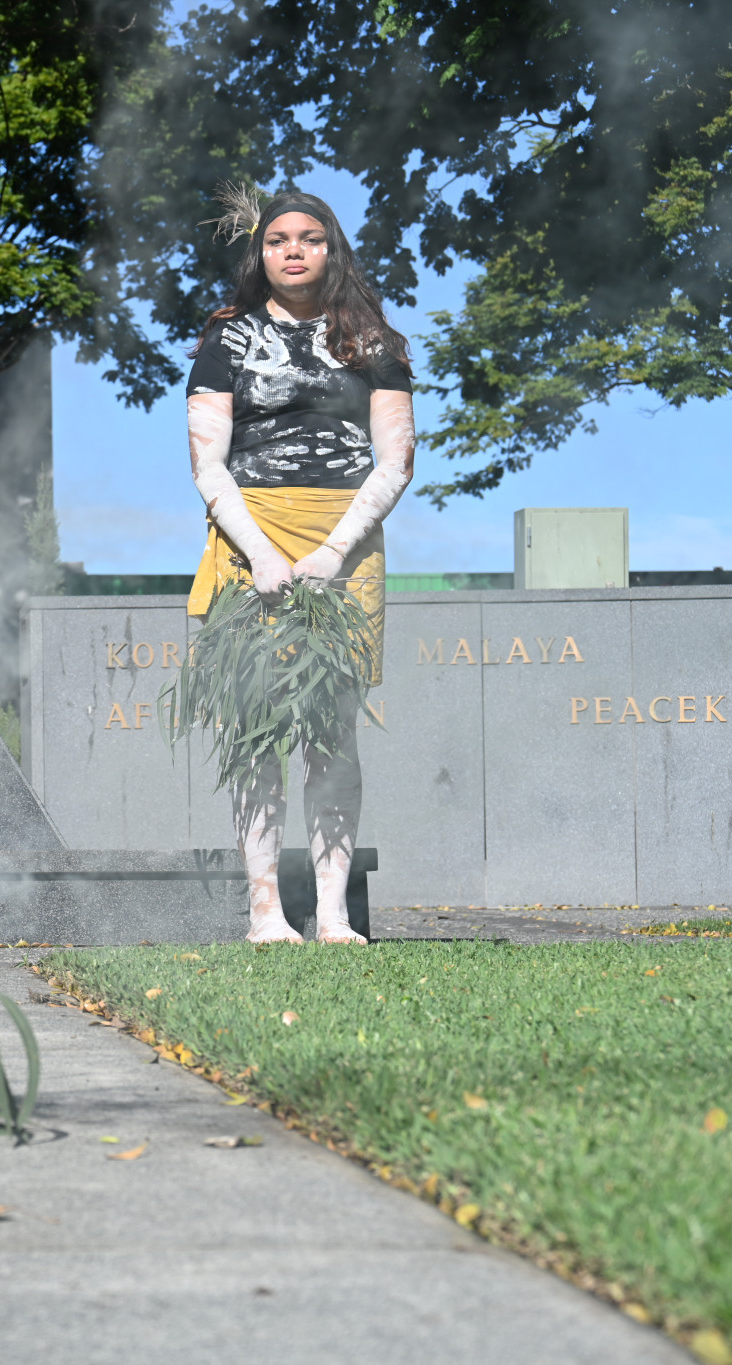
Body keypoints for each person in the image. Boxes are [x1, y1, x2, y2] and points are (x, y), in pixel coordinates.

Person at [184, 185, 415, 946]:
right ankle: (264, 912)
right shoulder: (226, 337)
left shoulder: (376, 341)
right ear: (260, 251)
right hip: (251, 529)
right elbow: (207, 464)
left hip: (345, 536)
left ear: (330, 247)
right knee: (255, 728)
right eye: (278, 237)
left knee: (332, 732)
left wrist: (332, 551)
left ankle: (335, 914)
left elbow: (396, 462)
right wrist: (262, 553)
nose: (292, 249)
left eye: (309, 237)